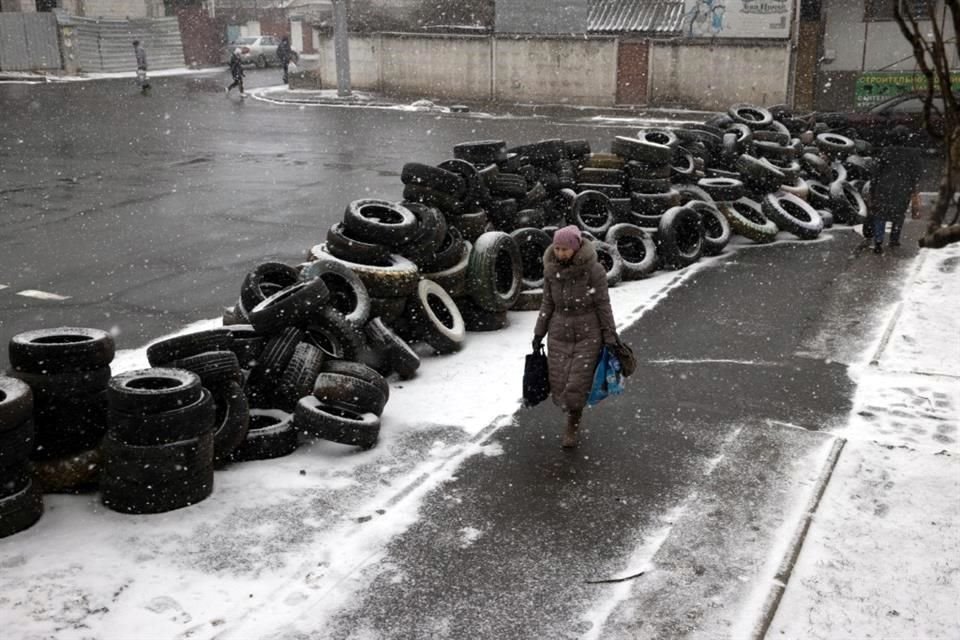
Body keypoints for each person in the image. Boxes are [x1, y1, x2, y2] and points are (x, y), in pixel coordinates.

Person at [532, 225, 619, 448]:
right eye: (557, 248)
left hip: (587, 331)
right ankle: (572, 413)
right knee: (559, 380)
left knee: (577, 382)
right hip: (559, 331)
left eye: (565, 249)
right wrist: (539, 332)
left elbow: (602, 304)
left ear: (576, 247)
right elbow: (547, 303)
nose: (560, 253)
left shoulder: (593, 270)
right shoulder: (551, 270)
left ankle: (573, 422)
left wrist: (609, 335)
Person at [868, 142, 924, 253]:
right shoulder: (913, 154)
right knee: (898, 214)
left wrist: (873, 189)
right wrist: (912, 186)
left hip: (883, 187)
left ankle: (878, 241)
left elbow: (876, 172)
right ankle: (894, 239)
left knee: (880, 215)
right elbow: (917, 174)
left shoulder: (886, 152)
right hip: (903, 189)